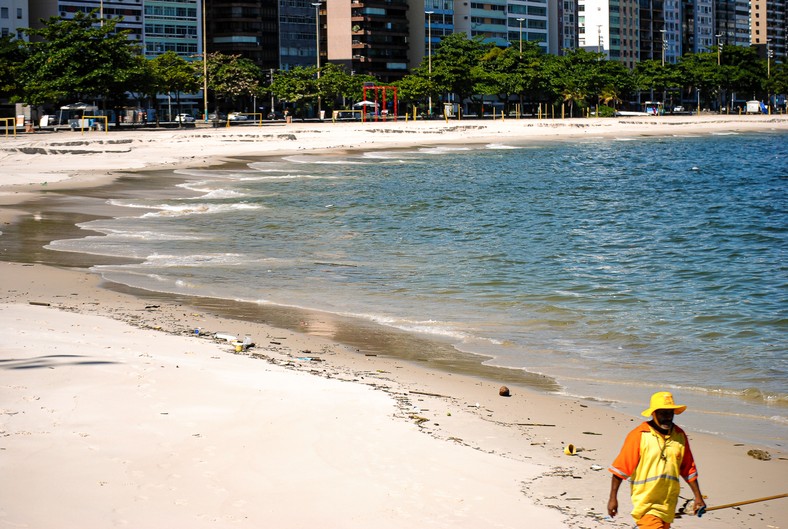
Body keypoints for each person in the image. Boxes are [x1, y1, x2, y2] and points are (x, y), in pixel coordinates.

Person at [608, 392, 706, 528]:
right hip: (646, 504)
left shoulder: (679, 435)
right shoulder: (639, 435)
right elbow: (620, 470)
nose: (667, 417)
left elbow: (688, 469)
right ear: (653, 414)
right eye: (662, 413)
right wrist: (613, 498)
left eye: (670, 413)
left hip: (669, 504)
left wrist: (698, 497)